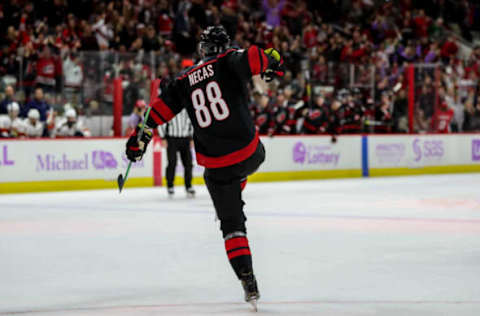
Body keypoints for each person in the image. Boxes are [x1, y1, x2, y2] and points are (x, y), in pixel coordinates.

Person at [124, 25, 283, 309]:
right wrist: (272, 61)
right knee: (248, 162)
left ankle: (248, 280)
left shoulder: (183, 80)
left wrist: (141, 135)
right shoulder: (229, 59)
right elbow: (259, 56)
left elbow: (156, 112)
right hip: (250, 152)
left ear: (202, 49)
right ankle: (238, 185)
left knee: (232, 227)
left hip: (217, 164)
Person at [158, 108, 195, 197]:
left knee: (188, 163)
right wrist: (163, 137)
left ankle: (188, 186)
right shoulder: (170, 108)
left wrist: (192, 138)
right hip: (172, 139)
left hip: (185, 138)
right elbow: (161, 123)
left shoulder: (188, 108)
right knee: (172, 162)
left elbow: (192, 123)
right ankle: (170, 185)